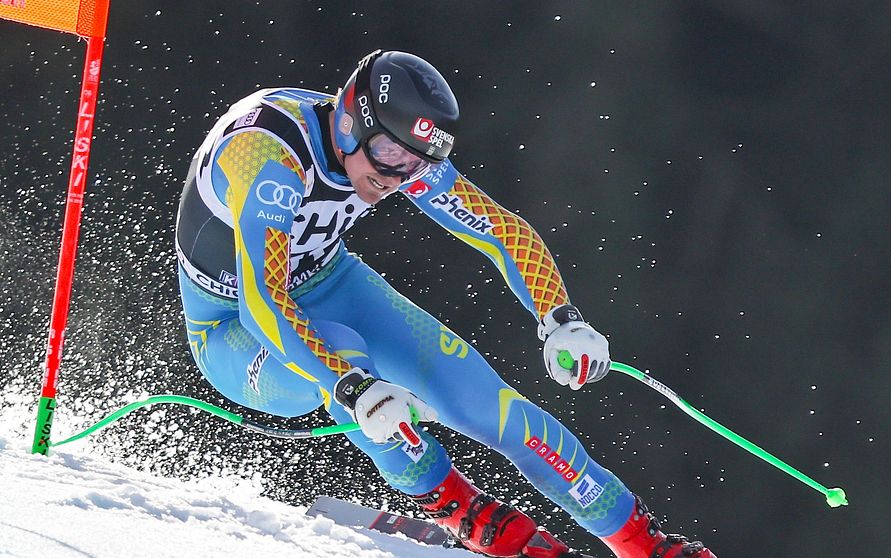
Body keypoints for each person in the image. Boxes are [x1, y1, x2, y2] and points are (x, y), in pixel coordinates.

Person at [175, 49, 716, 558]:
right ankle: (461, 510)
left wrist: (560, 318)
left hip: (330, 282)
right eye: (390, 156)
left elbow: (502, 231)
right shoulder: (269, 154)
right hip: (231, 326)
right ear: (349, 122)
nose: (395, 178)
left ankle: (640, 541)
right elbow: (262, 299)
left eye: (414, 164)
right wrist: (353, 387)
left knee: (488, 404)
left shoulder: (395, 152)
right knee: (344, 357)